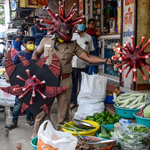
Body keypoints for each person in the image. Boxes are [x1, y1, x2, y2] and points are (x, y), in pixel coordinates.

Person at [31, 6, 112, 139]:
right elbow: (36, 53)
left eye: (70, 29)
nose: (68, 31)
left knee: (64, 114)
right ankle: (38, 138)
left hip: (65, 81)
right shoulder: (46, 40)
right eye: (65, 29)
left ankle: (61, 139)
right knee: (42, 112)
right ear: (57, 29)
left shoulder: (74, 44)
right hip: (47, 81)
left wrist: (106, 60)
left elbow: (88, 57)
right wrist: (35, 67)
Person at [4, 36, 35, 131]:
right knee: (18, 102)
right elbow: (11, 67)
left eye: (33, 42)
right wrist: (8, 77)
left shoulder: (36, 55)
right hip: (21, 83)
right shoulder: (19, 55)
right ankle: (14, 122)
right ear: (24, 44)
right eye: (30, 43)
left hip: (33, 83)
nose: (32, 45)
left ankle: (28, 119)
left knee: (30, 102)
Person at [70, 24, 95, 109]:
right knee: (73, 84)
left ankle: (81, 101)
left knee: (83, 84)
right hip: (72, 64)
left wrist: (85, 58)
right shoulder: (72, 36)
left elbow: (90, 50)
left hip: (83, 64)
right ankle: (73, 101)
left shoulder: (89, 37)